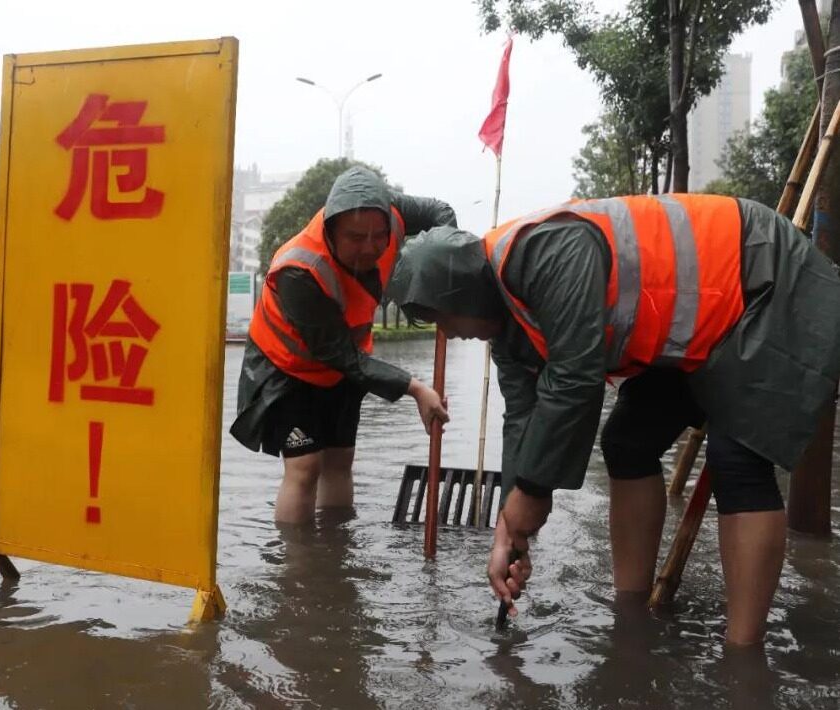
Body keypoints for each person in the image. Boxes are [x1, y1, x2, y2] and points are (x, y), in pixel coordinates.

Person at [387, 194, 840, 645]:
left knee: (737, 458)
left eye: (443, 319)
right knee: (626, 443)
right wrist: (508, 528)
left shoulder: (546, 251)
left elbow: (575, 379)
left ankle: (743, 656)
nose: (449, 334)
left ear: (464, 292)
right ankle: (631, 613)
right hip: (694, 333)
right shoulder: (508, 328)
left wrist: (535, 492)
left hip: (761, 283)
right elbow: (523, 419)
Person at [230, 166, 454, 524]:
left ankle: (334, 551)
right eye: (355, 237)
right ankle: (301, 568)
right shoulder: (298, 270)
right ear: (330, 228)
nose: (370, 248)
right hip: (289, 367)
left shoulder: (388, 210)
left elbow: (440, 212)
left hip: (348, 364)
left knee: (339, 460)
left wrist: (444, 255)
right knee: (305, 466)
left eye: (378, 236)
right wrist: (415, 389)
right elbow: (338, 354)